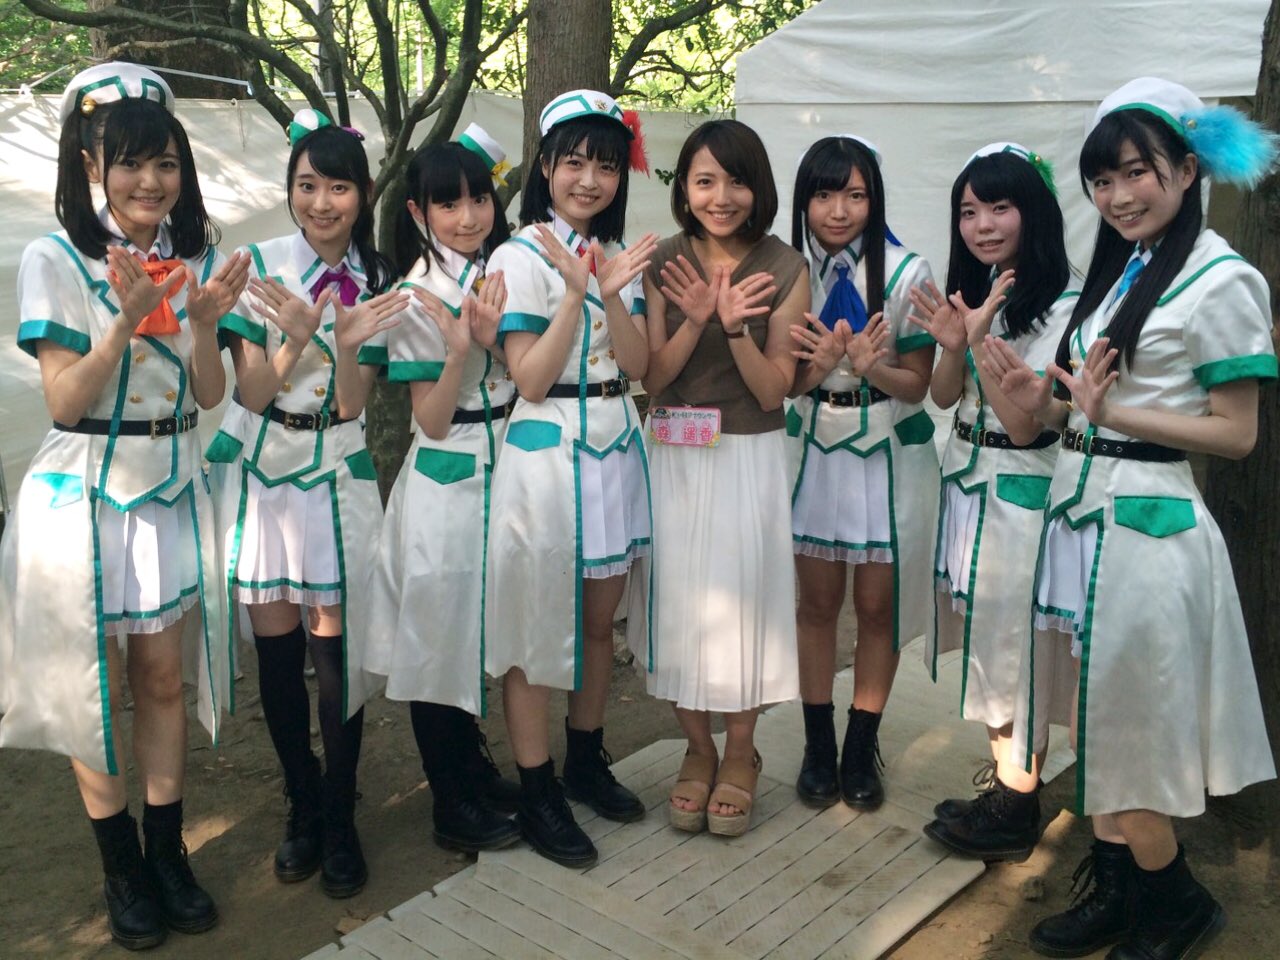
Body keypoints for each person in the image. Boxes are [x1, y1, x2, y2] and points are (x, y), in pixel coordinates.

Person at [983, 78, 1278, 959]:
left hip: (1151, 534)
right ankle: (1118, 888)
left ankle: (1175, 901)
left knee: (1132, 726)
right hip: (1085, 518)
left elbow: (1237, 434)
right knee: (1101, 717)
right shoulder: (1126, 272)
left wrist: (1112, 414)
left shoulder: (1223, 280)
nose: (1117, 196)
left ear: (1187, 169)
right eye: (1102, 180)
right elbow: (1084, 409)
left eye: (1135, 173)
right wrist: (1038, 399)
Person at [0, 63, 246, 950]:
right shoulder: (55, 257)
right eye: (130, 162)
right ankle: (121, 867)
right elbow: (64, 402)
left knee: (162, 680)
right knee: (94, 684)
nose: (151, 181)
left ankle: (166, 850)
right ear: (89, 163)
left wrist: (204, 322)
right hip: (84, 497)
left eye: (166, 162)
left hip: (170, 489)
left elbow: (210, 395)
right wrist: (124, 319)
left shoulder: (193, 259)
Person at [207, 109, 405, 898]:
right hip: (265, 473)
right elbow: (253, 393)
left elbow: (353, 405)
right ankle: (301, 801)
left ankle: (340, 808)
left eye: (339, 187)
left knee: (334, 657)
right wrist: (295, 336)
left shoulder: (379, 280)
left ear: (363, 194)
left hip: (335, 470)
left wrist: (347, 342)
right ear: (289, 189)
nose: (323, 203)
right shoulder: (255, 266)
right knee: (279, 655)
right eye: (308, 185)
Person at [485, 90, 656, 868]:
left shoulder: (620, 256)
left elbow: (640, 363)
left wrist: (612, 291)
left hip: (615, 444)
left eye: (607, 166)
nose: (590, 179)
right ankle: (537, 787)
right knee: (535, 628)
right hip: (546, 454)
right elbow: (528, 376)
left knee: (596, 621)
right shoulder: (517, 257)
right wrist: (579, 293)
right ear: (546, 166)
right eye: (575, 162)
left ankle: (586, 757)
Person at [633, 118, 807, 837]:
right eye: (705, 181)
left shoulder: (786, 266)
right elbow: (652, 377)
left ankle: (740, 750)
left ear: (758, 187)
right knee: (677, 601)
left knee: (744, 602)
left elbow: (773, 391)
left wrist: (733, 328)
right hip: (673, 452)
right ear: (684, 187)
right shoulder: (664, 260)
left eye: (737, 181)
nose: (721, 197)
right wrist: (694, 318)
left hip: (747, 453)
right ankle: (696, 749)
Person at [911, 143, 1075, 861]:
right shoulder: (974, 291)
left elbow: (1027, 425)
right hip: (970, 483)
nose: (981, 225)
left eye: (999, 207)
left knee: (1014, 647)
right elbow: (945, 397)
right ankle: (1008, 787)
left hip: (1022, 497)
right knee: (985, 639)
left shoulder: (1065, 307)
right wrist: (955, 344)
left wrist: (978, 341)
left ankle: (1016, 800)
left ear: (1033, 212)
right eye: (968, 210)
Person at [365, 125, 521, 853]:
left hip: (503, 465)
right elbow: (428, 420)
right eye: (448, 204)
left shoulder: (500, 270)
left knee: (476, 628)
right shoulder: (413, 297)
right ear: (418, 212)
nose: (467, 217)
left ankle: (475, 770)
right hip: (445, 474)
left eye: (478, 200)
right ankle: (450, 799)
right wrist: (464, 350)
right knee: (436, 639)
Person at [785, 135, 938, 810]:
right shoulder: (789, 272)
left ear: (875, 199)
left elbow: (920, 386)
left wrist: (872, 366)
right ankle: (818, 745)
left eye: (854, 195)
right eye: (824, 194)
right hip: (814, 447)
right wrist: (819, 367)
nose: (839, 211)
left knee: (878, 608)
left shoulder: (908, 272)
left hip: (886, 448)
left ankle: (859, 746)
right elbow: (780, 383)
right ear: (804, 200)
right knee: (817, 605)